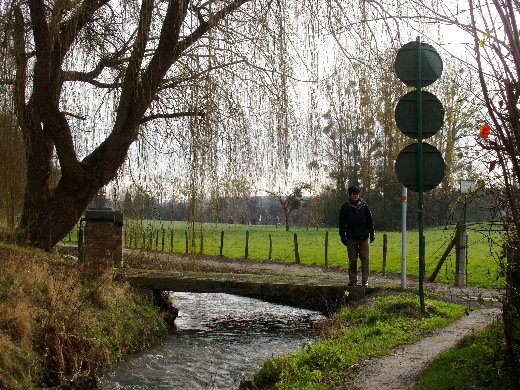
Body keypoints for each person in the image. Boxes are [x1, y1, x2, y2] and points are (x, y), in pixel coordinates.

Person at [339, 185, 375, 287]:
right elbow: (341, 223)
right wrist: (342, 236)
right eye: (354, 194)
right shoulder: (345, 207)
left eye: (357, 194)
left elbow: (370, 220)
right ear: (350, 195)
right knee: (353, 259)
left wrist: (372, 233)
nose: (356, 196)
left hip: (363, 237)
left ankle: (365, 280)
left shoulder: (364, 206)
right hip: (351, 238)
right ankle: (353, 280)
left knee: (365, 259)